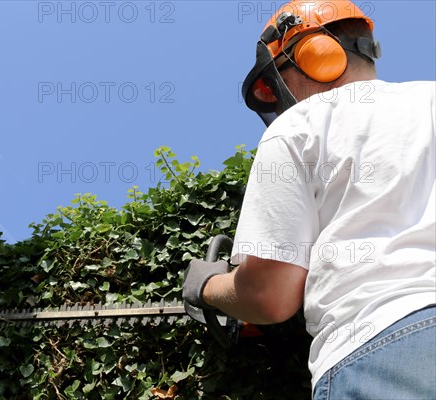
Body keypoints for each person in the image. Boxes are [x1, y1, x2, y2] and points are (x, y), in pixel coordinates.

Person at [183, 1, 436, 399]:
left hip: (380, 345)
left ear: (316, 56)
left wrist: (207, 286)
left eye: (276, 80)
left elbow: (269, 296)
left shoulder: (299, 125)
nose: (282, 99)